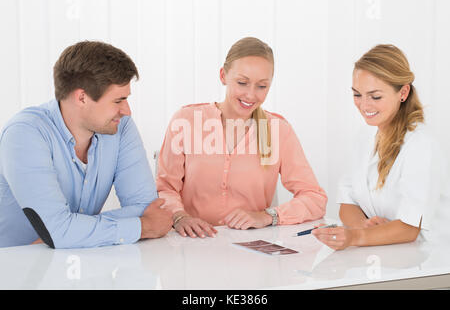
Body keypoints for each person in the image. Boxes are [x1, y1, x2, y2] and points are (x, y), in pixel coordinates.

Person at [0, 41, 173, 249]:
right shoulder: (25, 133)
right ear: (82, 98)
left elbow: (146, 208)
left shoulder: (120, 127)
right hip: (15, 270)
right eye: (118, 101)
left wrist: (70, 232)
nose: (126, 110)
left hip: (80, 265)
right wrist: (142, 228)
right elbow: (58, 232)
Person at [156, 37, 328, 238]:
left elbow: (315, 198)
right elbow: (165, 188)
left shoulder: (278, 130)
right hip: (191, 244)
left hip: (250, 247)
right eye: (242, 83)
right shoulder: (186, 120)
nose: (251, 95)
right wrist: (179, 217)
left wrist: (268, 216)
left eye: (261, 86)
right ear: (223, 75)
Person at [313, 44, 450, 250]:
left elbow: (409, 228)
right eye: (357, 94)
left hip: (427, 263)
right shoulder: (365, 136)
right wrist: (364, 227)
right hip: (385, 258)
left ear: (403, 92)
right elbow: (347, 202)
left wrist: (355, 237)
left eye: (375, 96)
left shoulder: (421, 145)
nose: (364, 105)